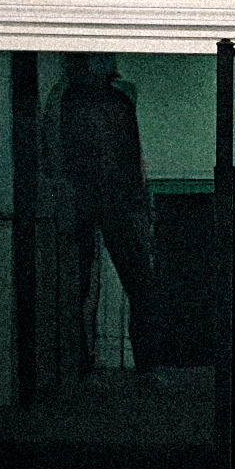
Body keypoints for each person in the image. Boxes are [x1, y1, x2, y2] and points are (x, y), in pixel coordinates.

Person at [52, 54, 159, 379]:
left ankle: (121, 367)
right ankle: (137, 369)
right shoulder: (102, 102)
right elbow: (130, 156)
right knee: (121, 285)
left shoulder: (79, 101)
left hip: (101, 201)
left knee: (96, 286)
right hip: (104, 201)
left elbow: (129, 155)